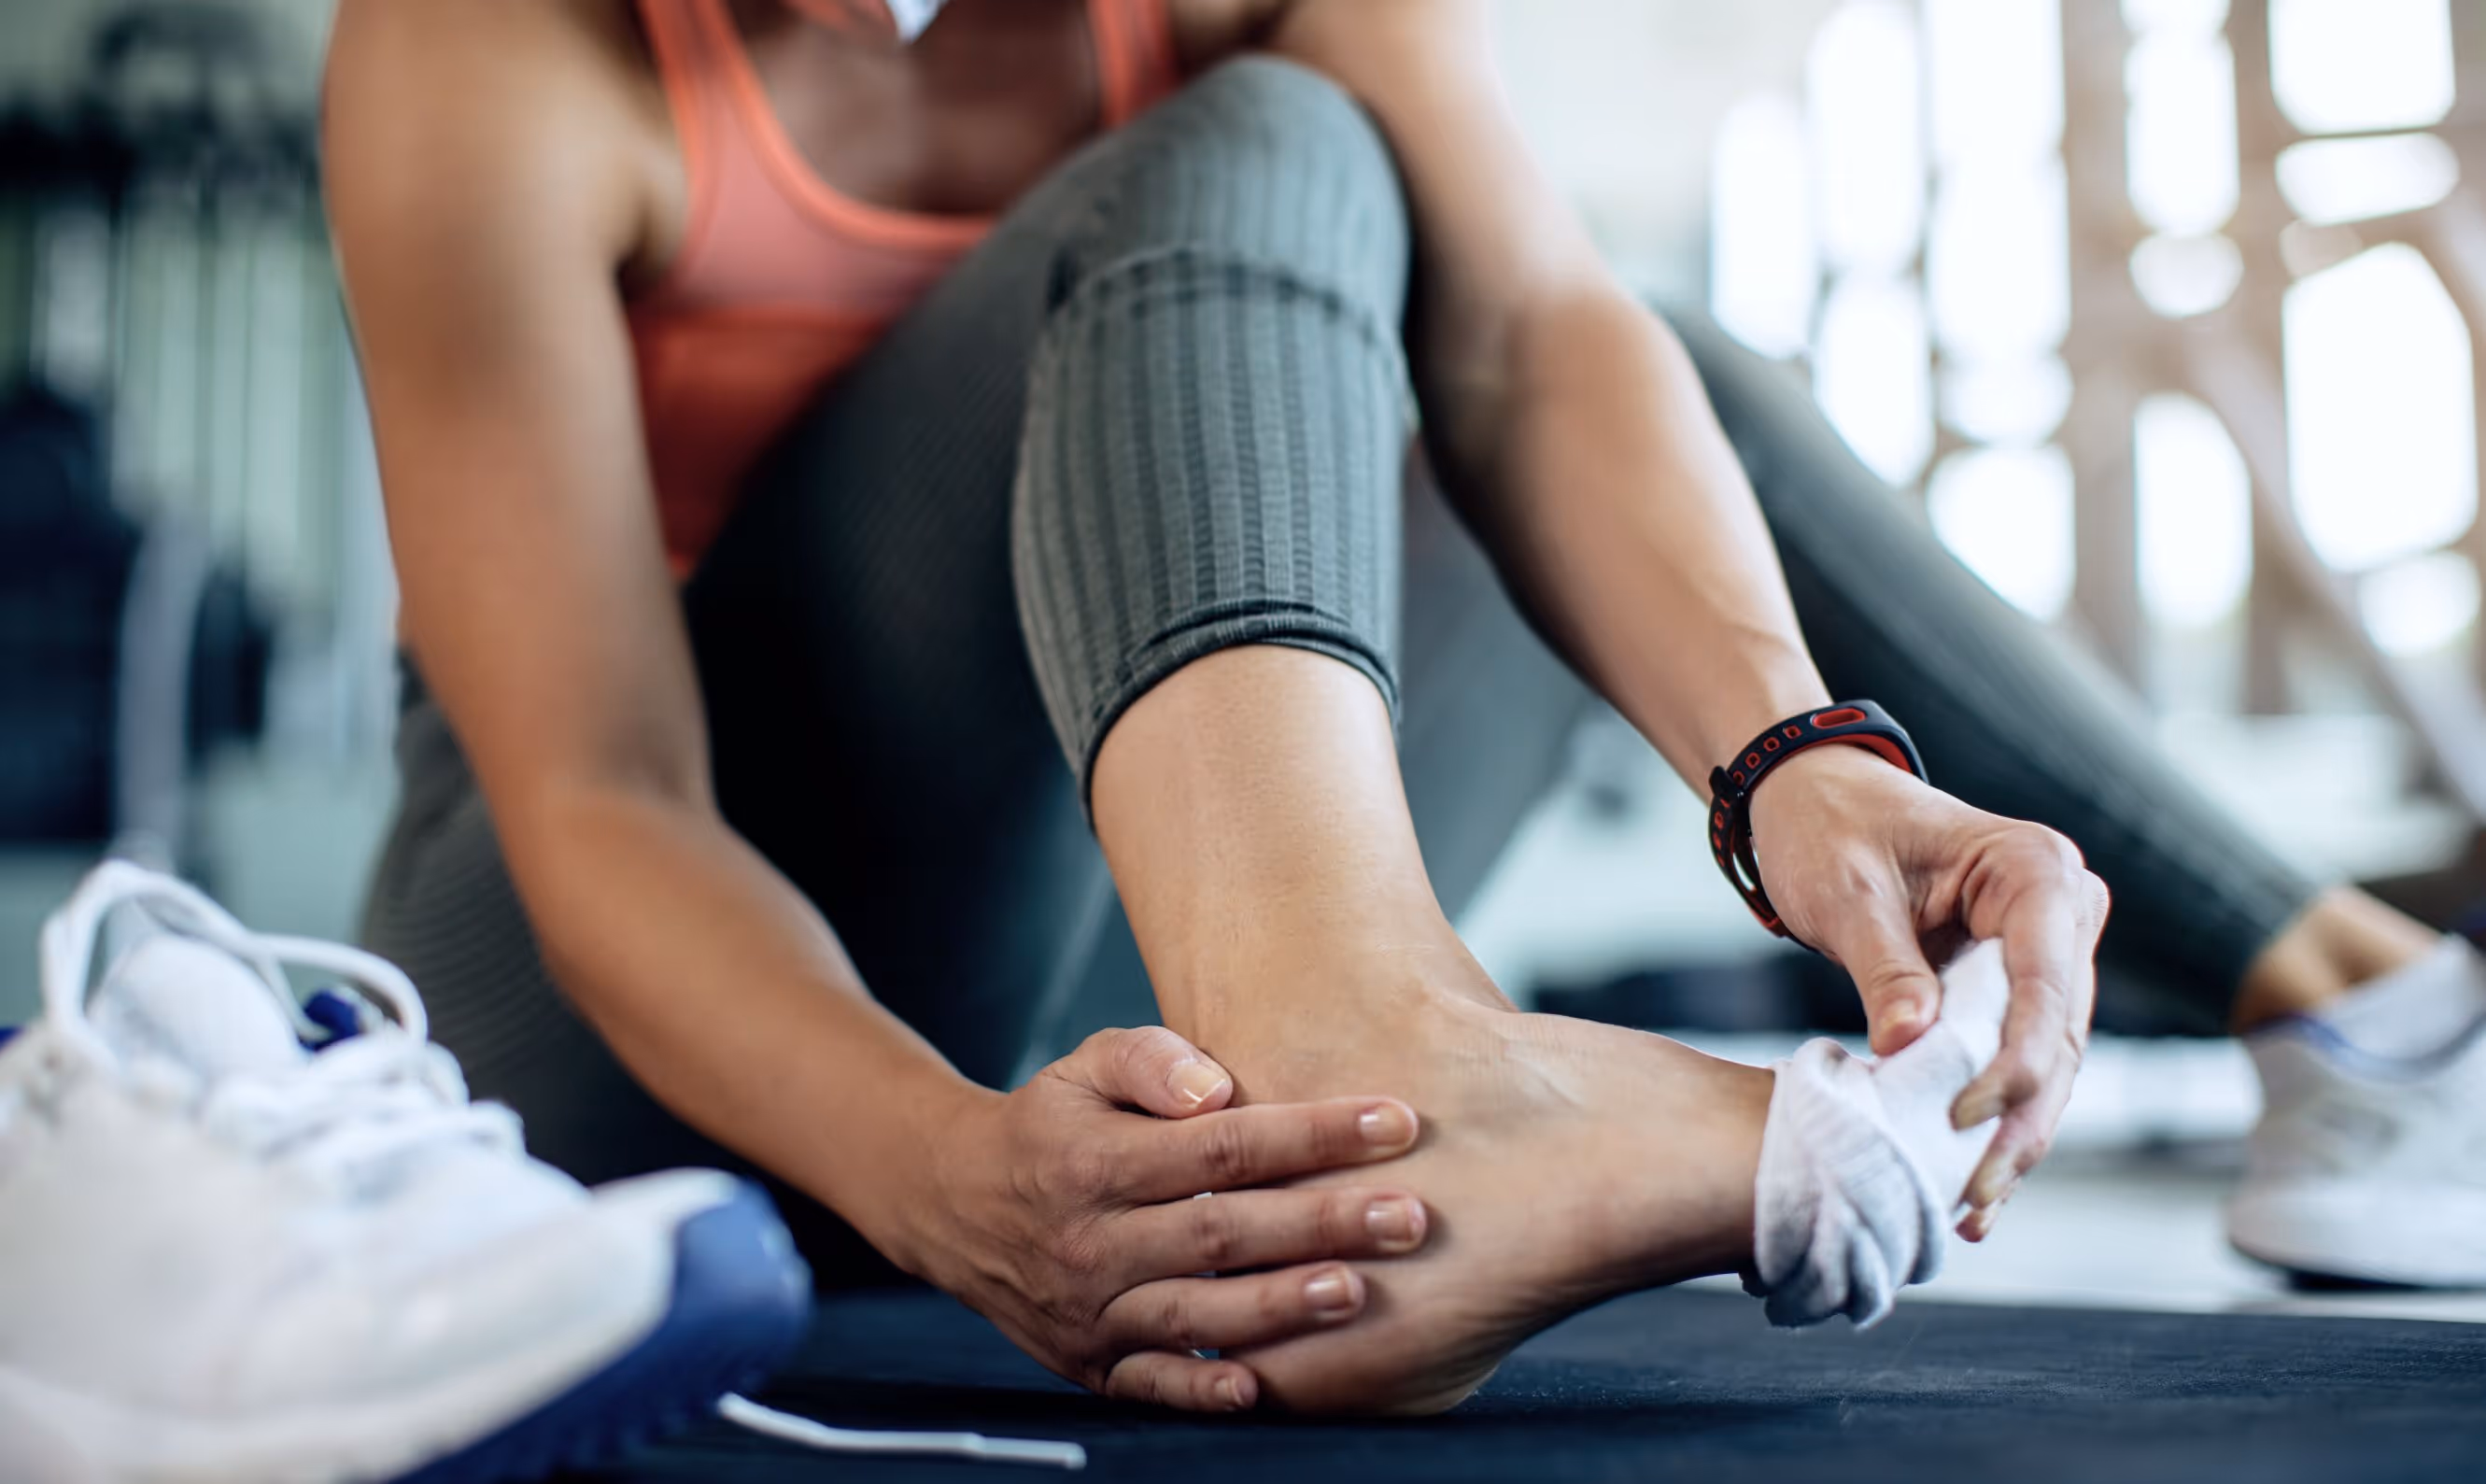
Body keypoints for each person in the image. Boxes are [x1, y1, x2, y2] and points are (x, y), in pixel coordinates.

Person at [324, 0, 2486, 1417]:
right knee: (1254, 143)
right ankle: (1359, 1028)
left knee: (1604, 344)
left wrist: (1791, 756)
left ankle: (2366, 1022)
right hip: (613, 1020)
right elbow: (596, 794)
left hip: (1073, 932)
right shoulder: (487, 54)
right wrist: (947, 1185)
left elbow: (1537, 342)